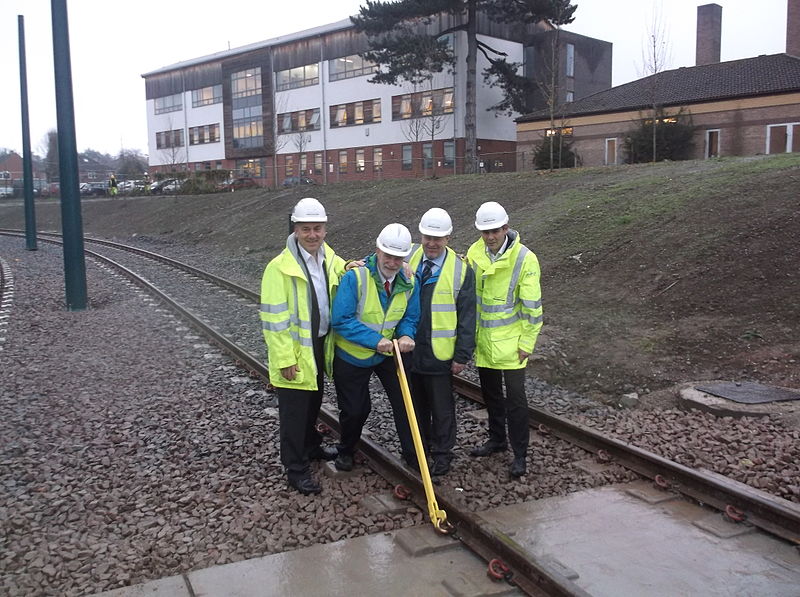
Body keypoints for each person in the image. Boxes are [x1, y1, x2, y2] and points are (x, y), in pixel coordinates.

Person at [260, 197, 349, 495]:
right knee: (294, 415)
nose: (312, 235)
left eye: (318, 228)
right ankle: (295, 469)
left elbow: (341, 271)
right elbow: (274, 321)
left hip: (319, 345)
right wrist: (285, 358)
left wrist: (352, 266)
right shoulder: (279, 268)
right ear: (295, 229)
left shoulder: (328, 257)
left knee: (313, 403)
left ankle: (311, 447)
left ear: (325, 229)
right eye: (306, 229)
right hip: (296, 351)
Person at [331, 223, 420, 472]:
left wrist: (406, 334)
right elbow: (341, 319)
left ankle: (413, 455)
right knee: (356, 409)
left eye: (398, 257)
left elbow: (410, 317)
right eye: (388, 255)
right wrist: (374, 340)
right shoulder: (356, 277)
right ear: (377, 251)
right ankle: (346, 450)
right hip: (353, 355)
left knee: (406, 401)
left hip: (388, 352)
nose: (392, 262)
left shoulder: (411, 281)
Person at [466, 201, 543, 478]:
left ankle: (520, 453)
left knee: (516, 401)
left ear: (506, 228)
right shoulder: (475, 253)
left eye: (495, 231)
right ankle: (497, 439)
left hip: (512, 344)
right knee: (491, 396)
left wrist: (526, 344)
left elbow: (533, 308)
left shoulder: (524, 259)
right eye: (485, 232)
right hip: (485, 341)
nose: (490, 237)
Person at [408, 208, 475, 476]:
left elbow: (468, 317)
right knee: (415, 404)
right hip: (409, 348)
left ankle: (442, 453)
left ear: (448, 237)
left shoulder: (461, 271)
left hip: (439, 353)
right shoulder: (408, 257)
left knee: (442, 407)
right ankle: (418, 449)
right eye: (428, 237)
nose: (432, 243)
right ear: (420, 234)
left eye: (438, 238)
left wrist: (462, 355)